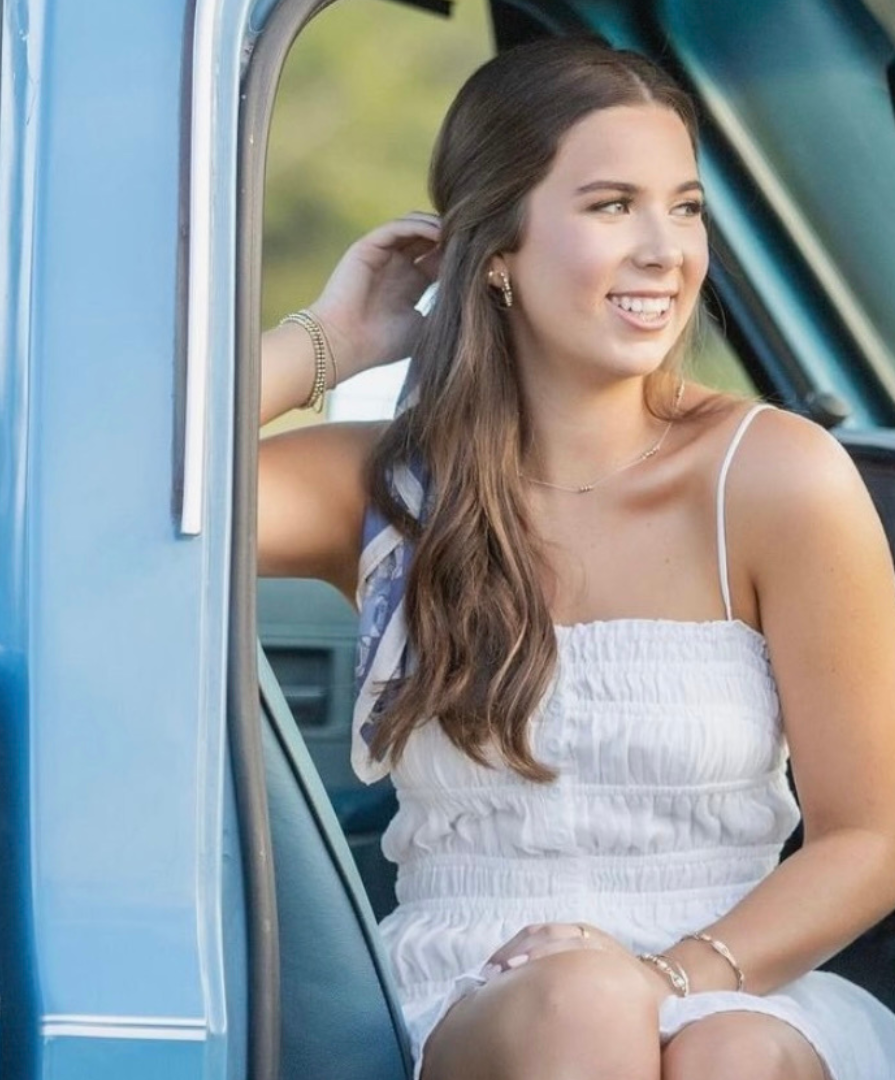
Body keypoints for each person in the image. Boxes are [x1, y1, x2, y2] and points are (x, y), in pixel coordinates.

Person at [258, 37, 895, 1080]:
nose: (666, 250)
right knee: (584, 999)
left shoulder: (778, 476)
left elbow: (870, 839)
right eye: (611, 206)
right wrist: (330, 339)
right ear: (498, 248)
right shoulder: (376, 486)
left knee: (732, 1054)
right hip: (475, 993)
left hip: (738, 972)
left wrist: (675, 977)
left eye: (684, 207)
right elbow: (103, 480)